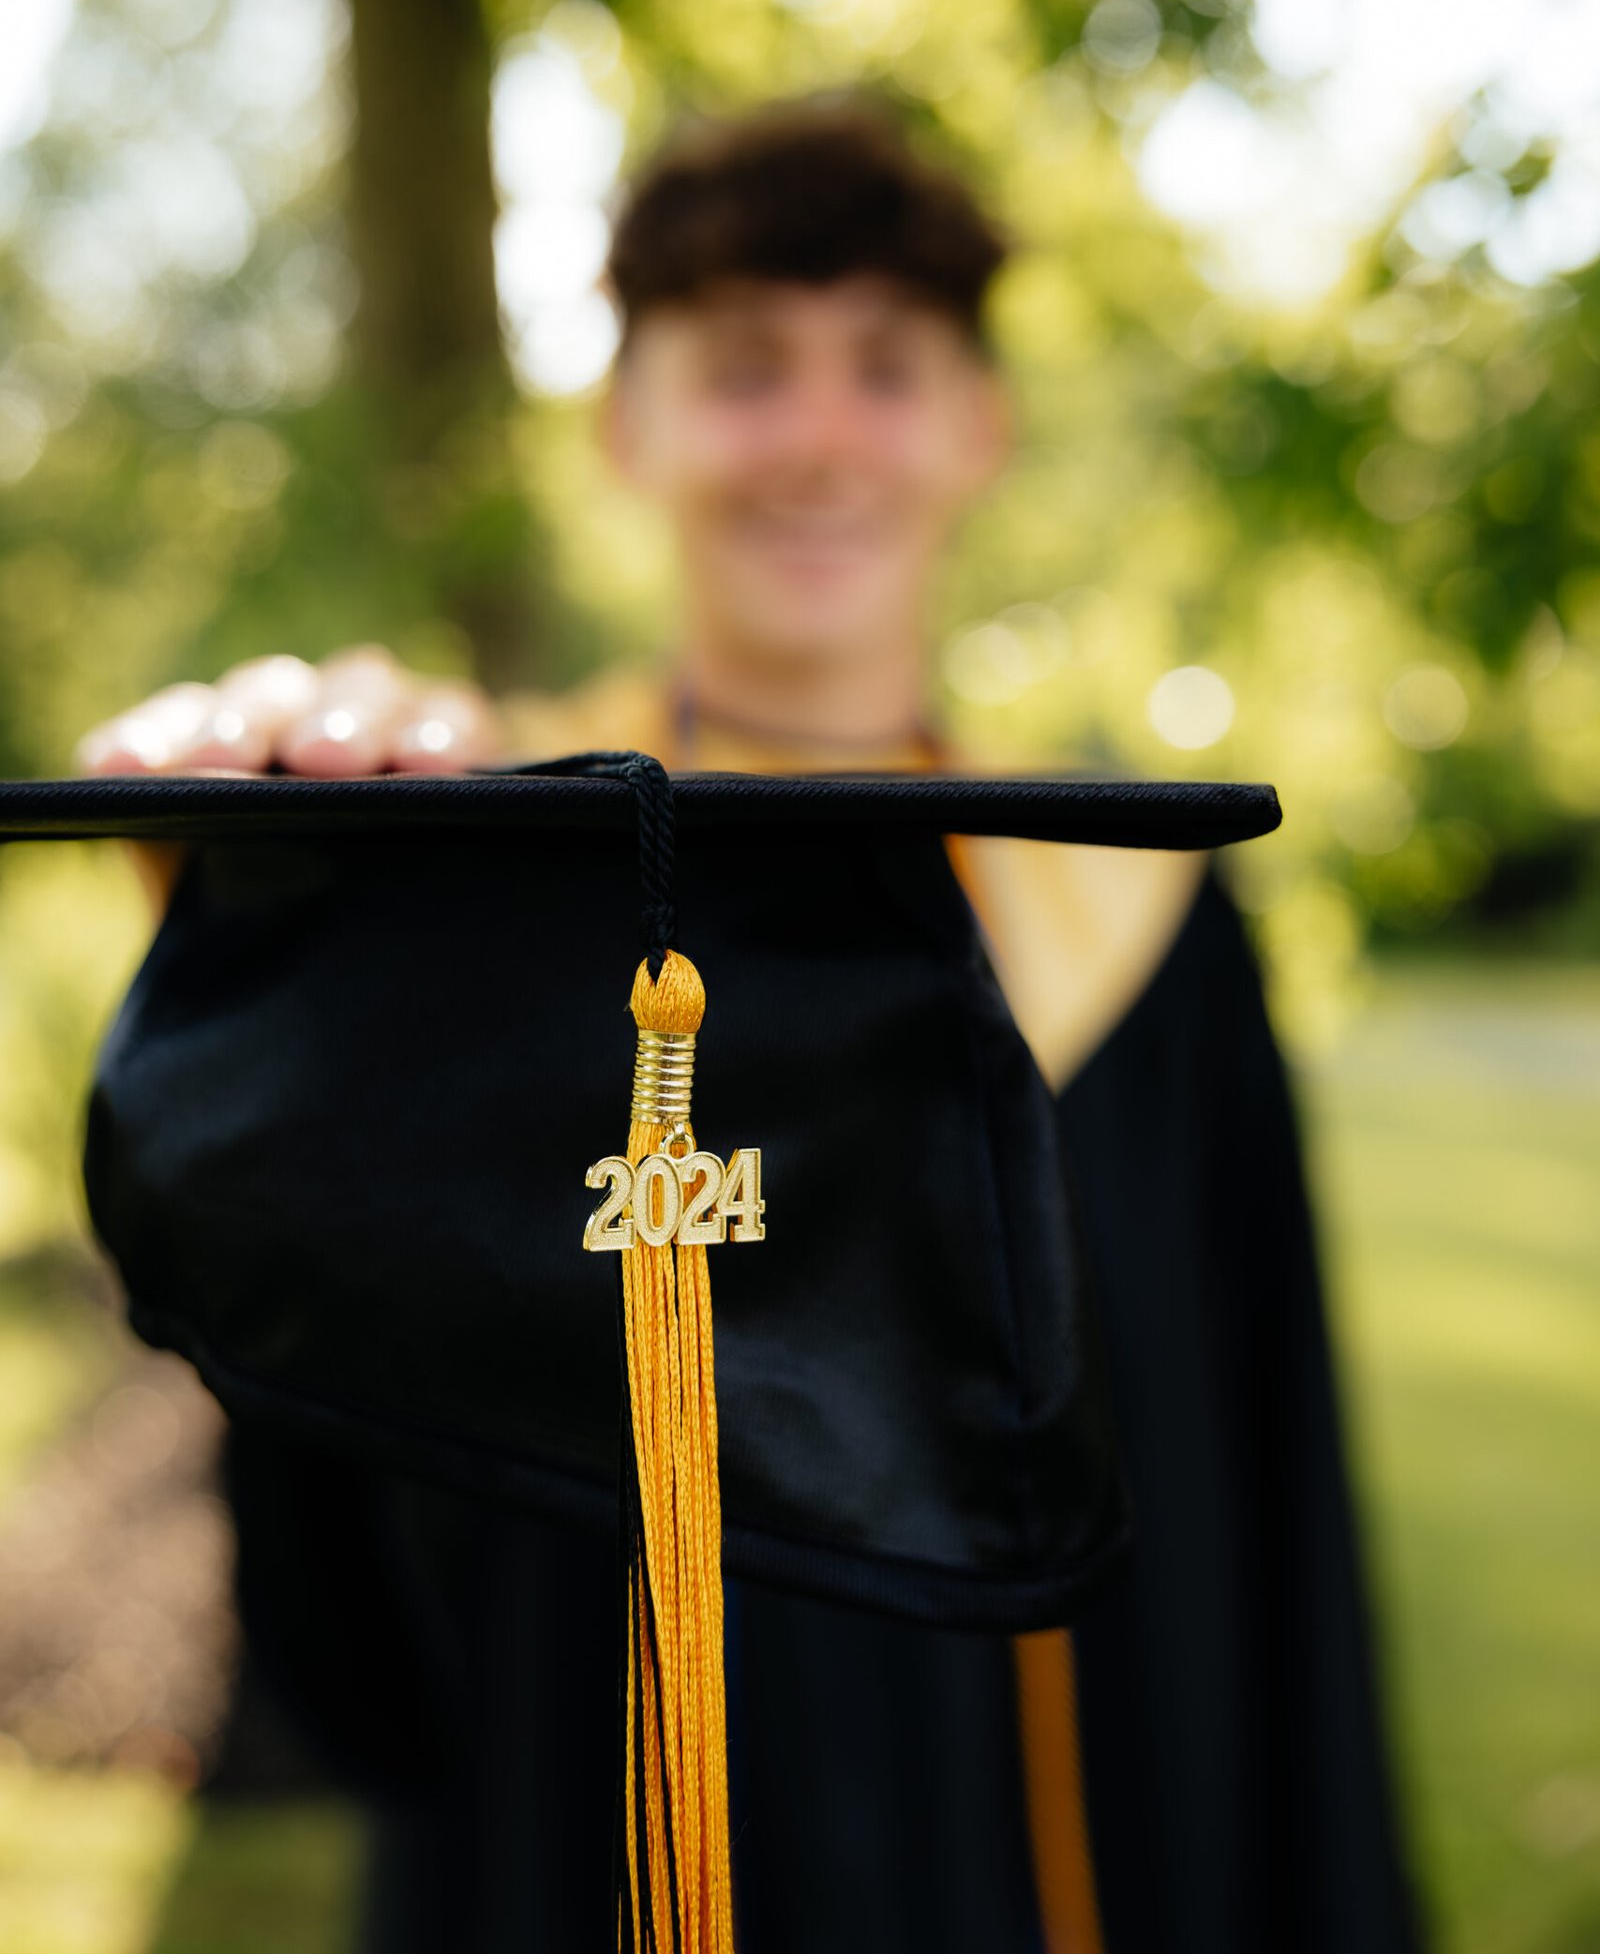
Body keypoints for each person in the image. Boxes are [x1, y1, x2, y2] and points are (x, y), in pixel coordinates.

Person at [79, 98, 1421, 1953]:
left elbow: (1261, 1519)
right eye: (742, 366)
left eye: (885, 365)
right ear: (624, 425)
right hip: (597, 1849)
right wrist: (274, 957)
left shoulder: (1146, 915)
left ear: (981, 428)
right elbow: (362, 1497)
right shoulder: (479, 872)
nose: (815, 434)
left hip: (1068, 1855)